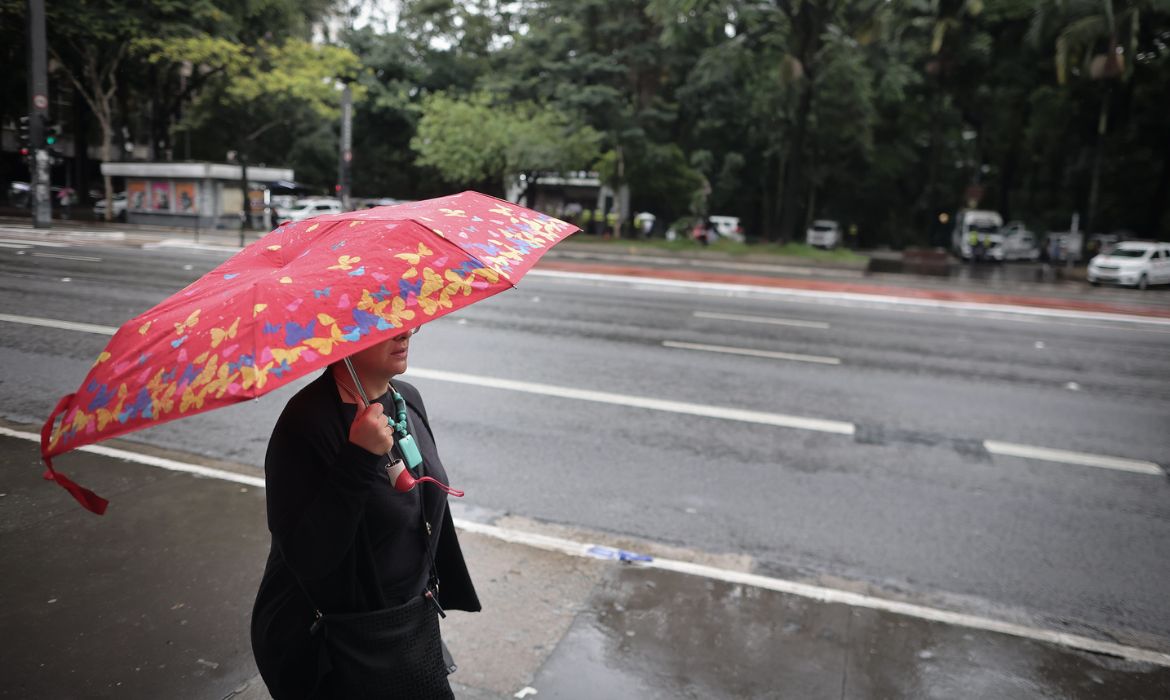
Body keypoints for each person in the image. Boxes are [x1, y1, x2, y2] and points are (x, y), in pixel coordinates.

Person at [251, 326, 480, 699]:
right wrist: (358, 456)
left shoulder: (406, 399)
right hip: (340, 645)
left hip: (408, 624)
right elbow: (307, 557)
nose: (405, 331)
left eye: (406, 319)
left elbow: (420, 511)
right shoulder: (305, 423)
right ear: (343, 334)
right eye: (385, 323)